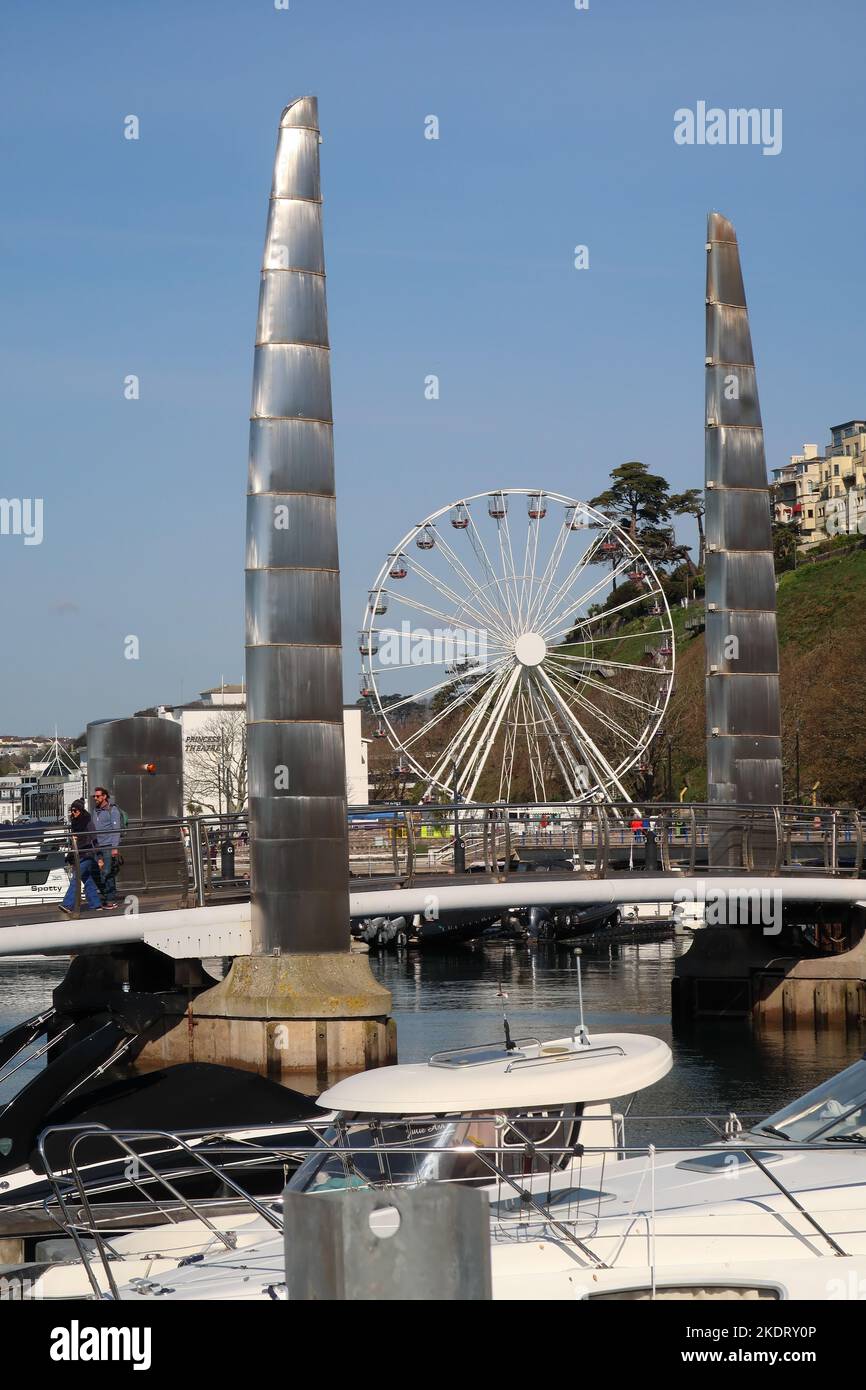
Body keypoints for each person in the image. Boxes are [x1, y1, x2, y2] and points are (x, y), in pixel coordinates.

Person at [58, 800, 104, 915]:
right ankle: (96, 904)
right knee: (87, 879)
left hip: (87, 854)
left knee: (76, 878)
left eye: (75, 811)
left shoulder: (88, 821)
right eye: (71, 811)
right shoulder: (75, 822)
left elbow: (94, 839)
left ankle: (67, 905)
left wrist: (99, 857)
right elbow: (73, 842)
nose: (73, 813)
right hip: (78, 854)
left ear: (81, 810)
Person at [92, 785, 122, 909]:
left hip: (109, 845)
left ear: (104, 797)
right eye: (95, 796)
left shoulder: (112, 810)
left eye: (98, 796)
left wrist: (115, 847)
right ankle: (105, 897)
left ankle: (110, 899)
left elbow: (116, 830)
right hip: (97, 846)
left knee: (107, 872)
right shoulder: (95, 810)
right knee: (99, 872)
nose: (95, 798)